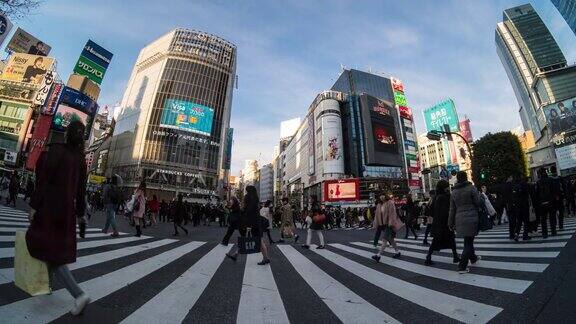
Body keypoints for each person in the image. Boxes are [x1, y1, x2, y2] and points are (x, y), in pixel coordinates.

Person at [26, 120, 90, 315]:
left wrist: (34, 206)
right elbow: (81, 192)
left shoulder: (56, 152)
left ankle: (79, 294)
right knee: (51, 249)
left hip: (49, 209)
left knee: (46, 250)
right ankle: (48, 285)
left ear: (66, 134)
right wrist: (80, 215)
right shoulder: (80, 159)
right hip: (66, 213)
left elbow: (44, 181)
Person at [226, 186, 270, 265]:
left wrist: (249, 226)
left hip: (252, 225)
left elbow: (249, 215)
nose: (245, 194)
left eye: (246, 191)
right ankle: (236, 254)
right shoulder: (255, 200)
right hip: (256, 223)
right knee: (249, 240)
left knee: (256, 241)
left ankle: (266, 257)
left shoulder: (249, 201)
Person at [448, 171, 481, 273]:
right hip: (471, 217)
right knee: (469, 242)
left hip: (459, 218)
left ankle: (473, 258)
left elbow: (452, 209)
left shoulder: (454, 192)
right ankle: (462, 266)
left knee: (468, 239)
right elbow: (478, 202)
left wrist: (450, 222)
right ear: (466, 178)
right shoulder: (471, 188)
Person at [424, 180, 460, 265]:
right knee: (449, 240)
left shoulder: (436, 197)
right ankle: (428, 258)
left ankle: (455, 257)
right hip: (443, 223)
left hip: (438, 223)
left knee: (439, 241)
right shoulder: (444, 197)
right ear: (444, 187)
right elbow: (446, 211)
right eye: (447, 186)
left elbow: (432, 211)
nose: (448, 188)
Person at [371, 192, 402, 261]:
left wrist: (391, 223)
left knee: (384, 239)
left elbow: (392, 213)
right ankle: (398, 252)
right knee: (391, 239)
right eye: (380, 196)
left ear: (385, 196)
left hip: (389, 224)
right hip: (384, 225)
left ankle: (378, 255)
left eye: (383, 195)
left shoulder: (390, 202)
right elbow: (377, 215)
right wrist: (376, 223)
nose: (381, 197)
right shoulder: (379, 205)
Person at [535, 168, 559, 238]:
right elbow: (554, 191)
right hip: (551, 201)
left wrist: (538, 203)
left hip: (542, 203)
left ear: (539, 174)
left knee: (543, 219)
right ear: (546, 172)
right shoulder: (550, 179)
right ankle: (553, 231)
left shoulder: (538, 182)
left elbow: (537, 194)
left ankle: (545, 234)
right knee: (552, 217)